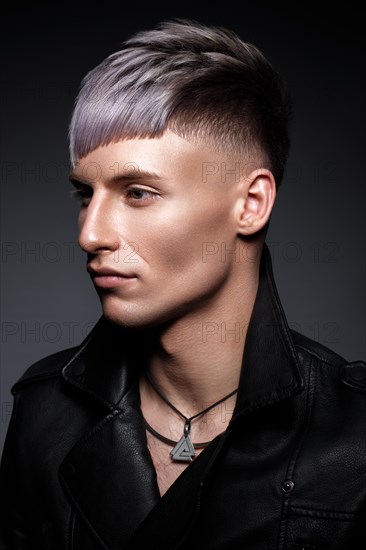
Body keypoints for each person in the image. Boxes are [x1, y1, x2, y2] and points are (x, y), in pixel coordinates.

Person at [0, 17, 365, 550]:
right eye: (86, 193)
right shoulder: (44, 410)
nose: (91, 233)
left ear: (251, 204)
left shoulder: (355, 440)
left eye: (138, 193)